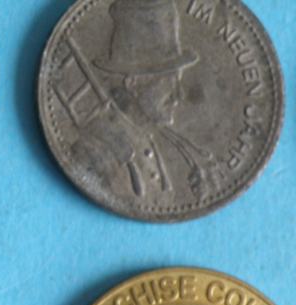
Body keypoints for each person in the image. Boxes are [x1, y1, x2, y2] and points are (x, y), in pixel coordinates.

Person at [67, 0, 216, 203]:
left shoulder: (151, 136)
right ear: (133, 83)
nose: (179, 95)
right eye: (169, 81)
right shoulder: (98, 148)